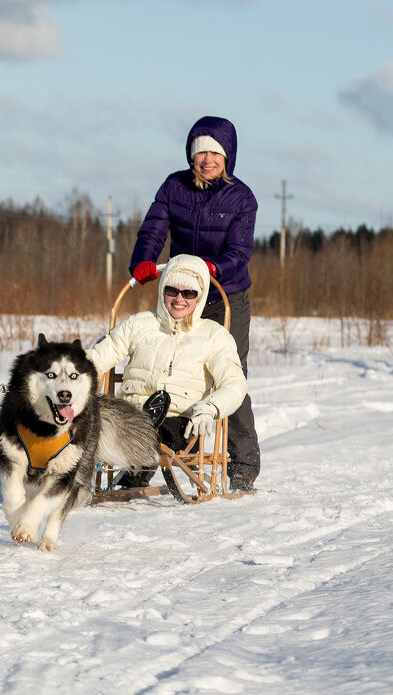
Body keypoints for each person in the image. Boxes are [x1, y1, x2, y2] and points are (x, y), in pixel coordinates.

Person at [129, 115, 260, 491]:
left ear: (228, 156)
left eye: (215, 152)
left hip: (225, 294)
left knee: (228, 372)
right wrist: (143, 258)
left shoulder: (241, 197)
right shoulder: (174, 186)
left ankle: (243, 462)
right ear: (190, 154)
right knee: (165, 367)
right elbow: (155, 227)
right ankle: (150, 453)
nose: (207, 159)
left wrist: (212, 267)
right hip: (182, 293)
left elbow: (240, 251)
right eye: (200, 151)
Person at [87, 254, 248, 489]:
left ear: (200, 296)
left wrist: (210, 408)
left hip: (177, 419)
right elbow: (99, 357)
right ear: (162, 290)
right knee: (92, 421)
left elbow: (235, 384)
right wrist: (68, 376)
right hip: (125, 415)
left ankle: (144, 440)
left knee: (163, 430)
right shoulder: (139, 324)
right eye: (172, 291)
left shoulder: (214, 335)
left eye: (189, 293)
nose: (179, 299)